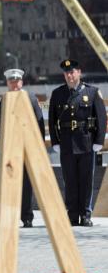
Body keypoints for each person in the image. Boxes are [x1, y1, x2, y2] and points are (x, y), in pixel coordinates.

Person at [48, 59, 106, 227]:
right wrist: (55, 141)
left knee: (86, 181)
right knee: (70, 181)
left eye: (72, 72)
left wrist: (99, 140)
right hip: (66, 143)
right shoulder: (58, 94)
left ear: (79, 72)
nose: (69, 75)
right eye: (67, 73)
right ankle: (72, 215)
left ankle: (86, 214)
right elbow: (52, 120)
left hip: (86, 142)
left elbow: (101, 118)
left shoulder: (92, 92)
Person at [0, 68, 45, 228]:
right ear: (7, 83)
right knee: (8, 183)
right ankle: (9, 217)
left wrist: (38, 147)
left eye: (17, 81)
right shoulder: (0, 100)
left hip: (26, 147)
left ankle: (27, 217)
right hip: (8, 147)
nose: (14, 84)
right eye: (11, 81)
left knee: (26, 184)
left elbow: (39, 123)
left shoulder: (31, 99)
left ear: (22, 82)